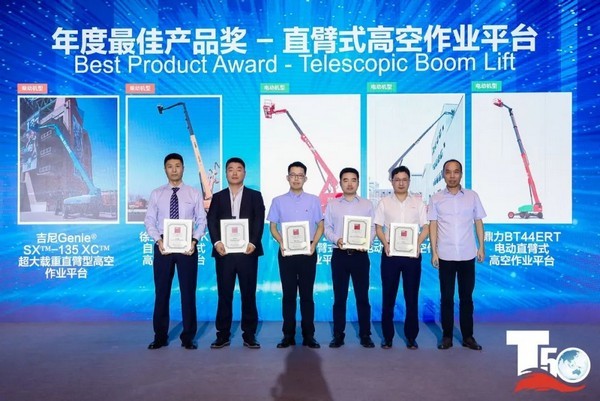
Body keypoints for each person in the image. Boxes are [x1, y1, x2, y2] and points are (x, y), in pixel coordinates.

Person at [144, 153, 207, 350]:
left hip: (188, 247)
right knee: (162, 292)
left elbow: (202, 220)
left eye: (177, 165)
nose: (174, 169)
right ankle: (160, 336)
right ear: (165, 169)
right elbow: (149, 220)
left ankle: (188, 337)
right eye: (170, 166)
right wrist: (158, 240)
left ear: (183, 168)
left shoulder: (193, 193)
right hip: (163, 246)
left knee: (188, 293)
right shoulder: (156, 194)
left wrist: (194, 240)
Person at [207, 157, 265, 349]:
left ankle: (249, 335)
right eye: (230, 169)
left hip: (248, 252)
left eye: (239, 169)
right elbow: (211, 221)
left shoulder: (255, 196)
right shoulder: (218, 197)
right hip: (224, 253)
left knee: (248, 295)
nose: (234, 172)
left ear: (244, 173)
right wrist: (217, 242)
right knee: (224, 295)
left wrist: (253, 242)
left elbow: (259, 220)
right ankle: (222, 335)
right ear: (226, 173)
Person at [428, 159, 486, 351]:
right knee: (446, 298)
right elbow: (433, 225)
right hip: (445, 255)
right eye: (448, 172)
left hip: (467, 254)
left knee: (466, 298)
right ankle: (446, 337)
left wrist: (481, 247)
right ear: (443, 175)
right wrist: (434, 251)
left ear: (461, 174)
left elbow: (478, 221)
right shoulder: (436, 198)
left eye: (456, 172)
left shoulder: (472, 196)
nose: (452, 176)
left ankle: (468, 336)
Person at [267, 161, 324, 349]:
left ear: (305, 178)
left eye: (300, 175)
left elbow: (321, 225)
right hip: (287, 253)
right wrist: (281, 242)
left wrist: (314, 245)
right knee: (289, 295)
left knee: (307, 295)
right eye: (293, 175)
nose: (296, 178)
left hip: (308, 252)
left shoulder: (314, 200)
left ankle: (309, 335)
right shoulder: (278, 201)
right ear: (287, 177)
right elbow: (273, 227)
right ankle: (288, 335)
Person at [374, 166, 429, 350]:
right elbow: (378, 227)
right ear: (392, 181)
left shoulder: (418, 203)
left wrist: (417, 244)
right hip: (390, 254)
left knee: (411, 297)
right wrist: (385, 244)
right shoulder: (384, 202)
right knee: (388, 296)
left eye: (404, 179)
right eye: (397, 179)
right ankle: (387, 337)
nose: (401, 183)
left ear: (409, 181)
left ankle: (411, 337)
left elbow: (426, 227)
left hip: (412, 256)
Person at [324, 167, 375, 348]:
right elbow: (327, 228)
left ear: (358, 183)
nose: (350, 184)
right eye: (345, 180)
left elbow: (373, 228)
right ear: (340, 183)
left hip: (360, 256)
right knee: (339, 298)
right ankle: (338, 335)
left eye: (353, 180)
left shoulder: (367, 205)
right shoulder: (332, 205)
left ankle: (365, 334)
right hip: (340, 255)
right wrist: (336, 239)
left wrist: (366, 242)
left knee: (362, 297)